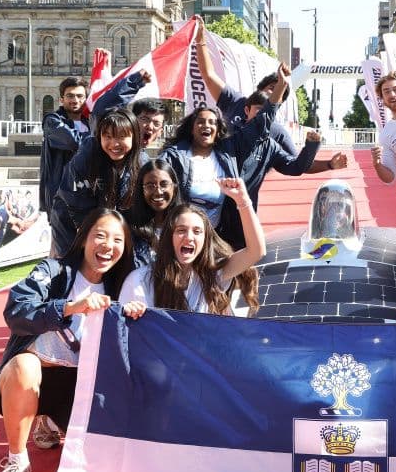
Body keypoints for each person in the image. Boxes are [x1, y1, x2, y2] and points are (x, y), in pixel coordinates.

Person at [0, 208, 138, 472]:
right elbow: (17, 310)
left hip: (85, 386)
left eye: (117, 240)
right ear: (83, 238)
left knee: (107, 471)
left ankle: (51, 422)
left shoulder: (126, 284)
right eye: (100, 236)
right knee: (22, 365)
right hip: (40, 376)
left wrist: (136, 312)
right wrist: (69, 307)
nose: (108, 245)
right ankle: (17, 462)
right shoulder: (53, 271)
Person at [158, 74, 283, 249]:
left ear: (218, 130)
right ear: (192, 128)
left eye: (212, 123)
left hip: (216, 239)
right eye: (200, 122)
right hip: (181, 240)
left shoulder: (227, 151)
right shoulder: (174, 157)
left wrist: (281, 86)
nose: (206, 126)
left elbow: (259, 123)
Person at [119, 177, 264, 315]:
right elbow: (123, 326)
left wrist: (243, 200)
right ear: (169, 237)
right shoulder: (140, 280)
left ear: (205, 240)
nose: (189, 237)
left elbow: (256, 252)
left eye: (197, 231)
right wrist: (131, 311)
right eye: (181, 230)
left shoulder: (213, 275)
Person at [192, 16, 299, 156]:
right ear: (260, 88)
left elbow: (297, 163)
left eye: (279, 93)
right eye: (272, 88)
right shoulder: (235, 101)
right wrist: (200, 39)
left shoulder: (277, 132)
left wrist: (318, 152)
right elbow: (209, 75)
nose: (273, 94)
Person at [50, 107, 141, 256]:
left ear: (134, 137)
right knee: (75, 265)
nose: (114, 144)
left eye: (121, 136)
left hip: (111, 229)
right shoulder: (86, 157)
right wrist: (89, 238)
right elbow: (75, 202)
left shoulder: (141, 164)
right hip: (72, 223)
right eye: (108, 136)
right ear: (99, 136)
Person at [237, 90, 348, 207]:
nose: (263, 115)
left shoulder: (272, 143)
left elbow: (295, 166)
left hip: (245, 208)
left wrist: (313, 149)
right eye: (259, 109)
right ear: (247, 110)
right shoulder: (231, 134)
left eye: (268, 111)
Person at [38, 77, 88, 213]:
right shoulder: (52, 120)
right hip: (60, 195)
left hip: (87, 192)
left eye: (80, 96)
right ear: (61, 99)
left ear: (86, 99)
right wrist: (98, 137)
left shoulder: (90, 123)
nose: (75, 100)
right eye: (70, 96)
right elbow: (73, 141)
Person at [125, 159, 184, 267]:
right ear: (141, 190)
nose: (158, 192)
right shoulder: (127, 225)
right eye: (150, 186)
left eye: (164, 184)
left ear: (174, 187)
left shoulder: (186, 223)